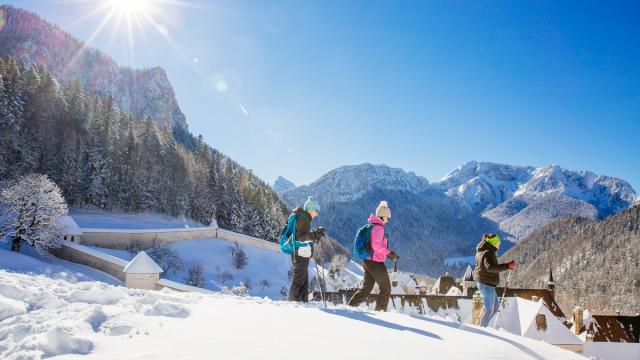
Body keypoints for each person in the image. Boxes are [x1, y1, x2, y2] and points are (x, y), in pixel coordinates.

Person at [347, 201, 398, 311]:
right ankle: (380, 313)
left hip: (367, 262)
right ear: (382, 216)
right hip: (376, 263)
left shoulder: (371, 225)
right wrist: (390, 254)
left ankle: (349, 308)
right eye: (387, 217)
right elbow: (376, 245)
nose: (387, 220)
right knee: (386, 289)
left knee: (365, 289)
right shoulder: (379, 228)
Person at [474, 233, 516, 327]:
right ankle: (482, 330)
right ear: (493, 243)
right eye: (498, 243)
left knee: (495, 308)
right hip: (486, 284)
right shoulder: (488, 253)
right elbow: (490, 267)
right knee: (489, 310)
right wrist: (507, 266)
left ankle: (483, 326)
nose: (499, 245)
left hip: (486, 283)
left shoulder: (483, 250)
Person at [288, 196, 325, 302]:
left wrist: (314, 235)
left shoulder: (304, 218)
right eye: (316, 210)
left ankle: (303, 303)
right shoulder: (303, 218)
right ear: (310, 209)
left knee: (304, 282)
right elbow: (300, 237)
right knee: (299, 281)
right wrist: (314, 235)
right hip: (300, 253)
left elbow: (303, 235)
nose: (317, 213)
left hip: (301, 254)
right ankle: (292, 304)